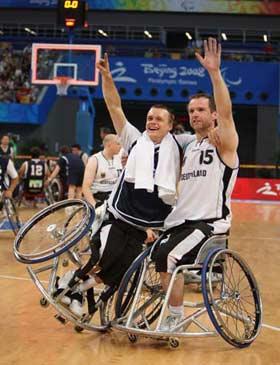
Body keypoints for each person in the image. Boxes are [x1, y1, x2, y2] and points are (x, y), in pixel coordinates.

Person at [56, 53, 195, 316]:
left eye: (159, 119)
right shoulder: (134, 139)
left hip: (147, 225)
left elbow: (203, 136)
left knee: (119, 271)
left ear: (171, 125)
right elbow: (115, 107)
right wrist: (107, 78)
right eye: (150, 117)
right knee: (103, 258)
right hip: (119, 217)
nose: (152, 121)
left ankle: (71, 288)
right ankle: (69, 286)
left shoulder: (181, 143)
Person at [153, 38, 239, 331]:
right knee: (153, 253)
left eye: (201, 110)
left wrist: (215, 74)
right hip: (180, 222)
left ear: (212, 114)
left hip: (209, 223)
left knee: (169, 257)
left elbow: (227, 114)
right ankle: (164, 309)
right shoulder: (188, 146)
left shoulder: (223, 143)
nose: (195, 115)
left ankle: (175, 319)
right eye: (191, 111)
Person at [82, 134, 122, 207]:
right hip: (98, 198)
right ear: (109, 145)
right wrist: (95, 206)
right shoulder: (94, 160)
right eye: (118, 144)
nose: (120, 146)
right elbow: (86, 187)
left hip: (114, 199)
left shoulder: (119, 159)